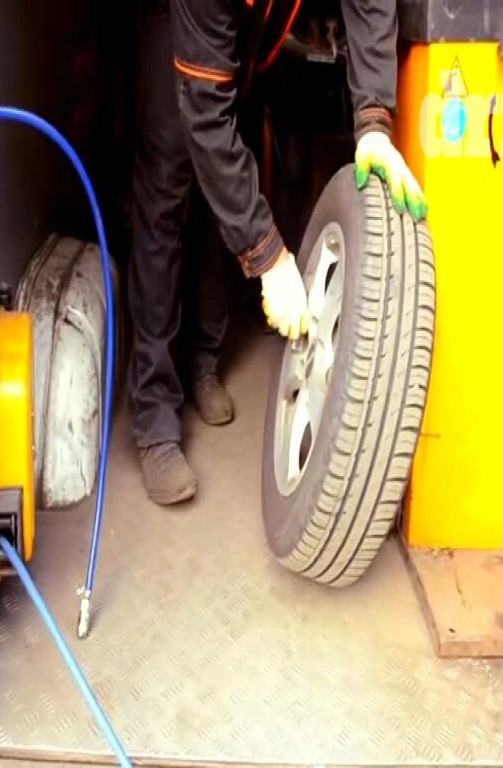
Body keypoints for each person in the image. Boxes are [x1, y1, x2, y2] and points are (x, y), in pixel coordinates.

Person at [129, 0, 426, 506]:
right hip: (182, 23)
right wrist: (269, 258)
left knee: (228, 173)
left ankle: (202, 359)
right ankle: (154, 414)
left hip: (251, 25)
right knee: (167, 184)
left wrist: (374, 121)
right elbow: (206, 118)